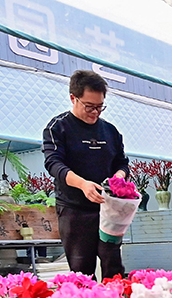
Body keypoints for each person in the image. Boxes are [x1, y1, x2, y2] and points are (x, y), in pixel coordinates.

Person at [43, 69, 129, 279]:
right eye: (89, 106)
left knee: (113, 266)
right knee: (82, 271)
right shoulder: (58, 128)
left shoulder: (110, 131)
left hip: (108, 209)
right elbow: (54, 164)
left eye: (100, 107)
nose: (95, 112)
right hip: (74, 210)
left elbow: (122, 163)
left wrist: (119, 176)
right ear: (73, 98)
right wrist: (83, 184)